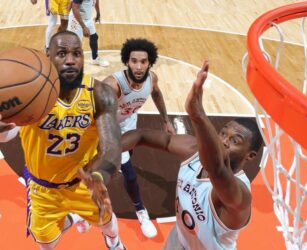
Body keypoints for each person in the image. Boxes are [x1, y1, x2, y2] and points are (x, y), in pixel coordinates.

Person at [0, 31, 125, 250]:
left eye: (77, 53)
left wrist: (99, 176)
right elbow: (8, 134)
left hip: (84, 183)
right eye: (62, 53)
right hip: (43, 189)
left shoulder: (99, 93)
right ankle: (76, 218)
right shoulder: (31, 95)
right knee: (48, 244)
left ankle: (114, 243)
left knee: (108, 222)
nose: (70, 60)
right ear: (48, 55)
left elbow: (112, 146)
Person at [120, 60, 264, 249]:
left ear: (250, 156)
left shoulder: (239, 195)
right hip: (179, 239)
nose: (223, 141)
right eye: (222, 133)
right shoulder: (194, 150)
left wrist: (198, 115)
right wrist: (106, 152)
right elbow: (142, 135)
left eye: (235, 141)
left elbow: (217, 170)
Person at [103, 38, 176, 238]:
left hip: (128, 122)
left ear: (149, 63)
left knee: (128, 156)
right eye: (134, 61)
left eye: (143, 61)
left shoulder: (152, 79)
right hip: (107, 127)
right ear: (127, 61)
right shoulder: (113, 84)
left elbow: (157, 94)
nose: (138, 66)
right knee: (129, 175)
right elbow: (96, 112)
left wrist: (166, 120)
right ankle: (140, 210)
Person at [68, 0, 109, 67]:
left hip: (88, 19)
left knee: (94, 37)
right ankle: (70, 64)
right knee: (75, 44)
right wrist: (84, 27)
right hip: (75, 20)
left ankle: (95, 58)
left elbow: (96, 1)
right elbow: (75, 9)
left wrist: (98, 13)